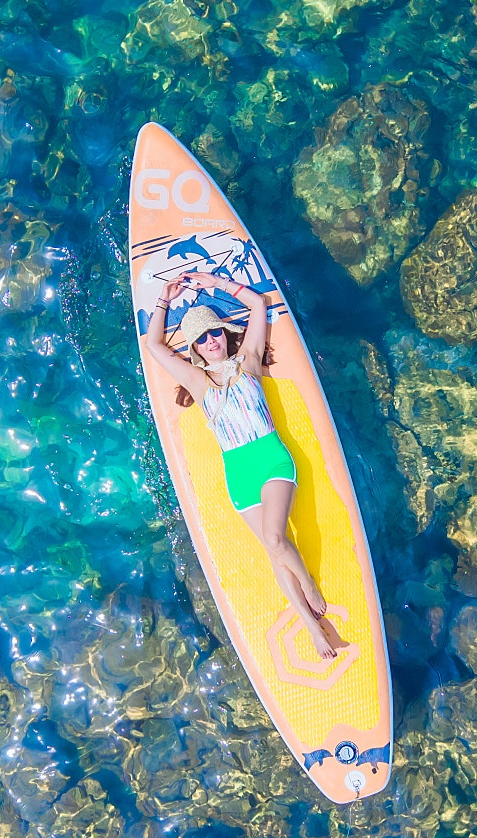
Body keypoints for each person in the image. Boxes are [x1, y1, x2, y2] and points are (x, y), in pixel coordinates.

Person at [142, 271, 338, 660]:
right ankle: (310, 624)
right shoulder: (197, 381)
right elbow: (154, 345)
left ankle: (308, 584)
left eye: (214, 332)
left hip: (270, 457)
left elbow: (257, 304)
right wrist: (164, 298)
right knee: (272, 550)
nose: (210, 341)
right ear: (195, 349)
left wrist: (211, 282)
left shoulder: (247, 361)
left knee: (276, 540)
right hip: (238, 473)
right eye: (201, 339)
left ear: (222, 334)